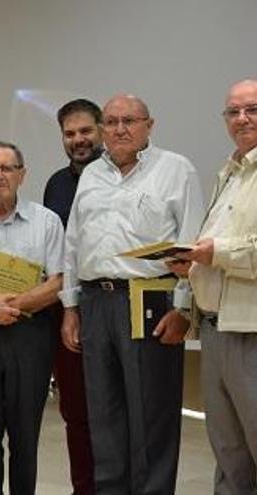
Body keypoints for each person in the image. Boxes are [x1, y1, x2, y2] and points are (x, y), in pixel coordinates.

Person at [60, 95, 204, 494]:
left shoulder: (177, 170)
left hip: (149, 300)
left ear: (149, 125)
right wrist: (71, 307)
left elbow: (192, 246)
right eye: (111, 122)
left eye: (129, 120)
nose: (120, 129)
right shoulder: (91, 175)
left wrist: (184, 309)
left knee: (151, 417)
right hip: (94, 303)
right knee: (103, 417)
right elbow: (73, 243)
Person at [0, 141, 64, 494]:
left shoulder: (47, 222)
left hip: (30, 336)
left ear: (22, 174)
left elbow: (59, 280)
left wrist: (14, 305)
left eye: (6, 168)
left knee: (25, 439)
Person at [177, 78, 257, 494]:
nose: (242, 119)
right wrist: (189, 261)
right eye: (233, 111)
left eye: (252, 110)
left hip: (251, 333)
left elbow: (232, 250)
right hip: (215, 328)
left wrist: (215, 253)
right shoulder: (229, 172)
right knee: (228, 455)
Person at [43, 98, 103, 495]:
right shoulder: (57, 184)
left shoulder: (118, 177)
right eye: (70, 133)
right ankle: (83, 488)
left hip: (110, 304)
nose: (78, 140)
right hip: (66, 310)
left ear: (100, 129)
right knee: (76, 413)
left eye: (86, 131)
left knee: (116, 412)